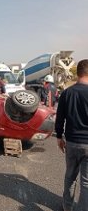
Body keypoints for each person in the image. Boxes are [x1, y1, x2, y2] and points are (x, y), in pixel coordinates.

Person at [55, 59, 88, 211]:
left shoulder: (67, 93)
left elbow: (60, 117)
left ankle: (67, 207)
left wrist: (59, 137)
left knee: (70, 178)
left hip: (72, 142)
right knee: (86, 183)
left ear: (78, 73)